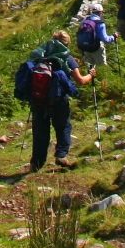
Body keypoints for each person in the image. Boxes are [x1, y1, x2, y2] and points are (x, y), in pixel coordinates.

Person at [30, 30, 91, 171]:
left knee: (40, 131)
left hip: (38, 99)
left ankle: (36, 163)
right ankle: (61, 156)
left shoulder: (40, 55)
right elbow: (81, 80)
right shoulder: (67, 58)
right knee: (63, 126)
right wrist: (91, 75)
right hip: (58, 99)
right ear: (67, 43)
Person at [76, 1, 114, 67]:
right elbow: (105, 40)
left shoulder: (85, 20)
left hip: (85, 48)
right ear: (100, 12)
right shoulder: (100, 23)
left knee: (90, 68)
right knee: (102, 68)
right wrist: (113, 37)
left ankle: (91, 77)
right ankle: (101, 77)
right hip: (96, 48)